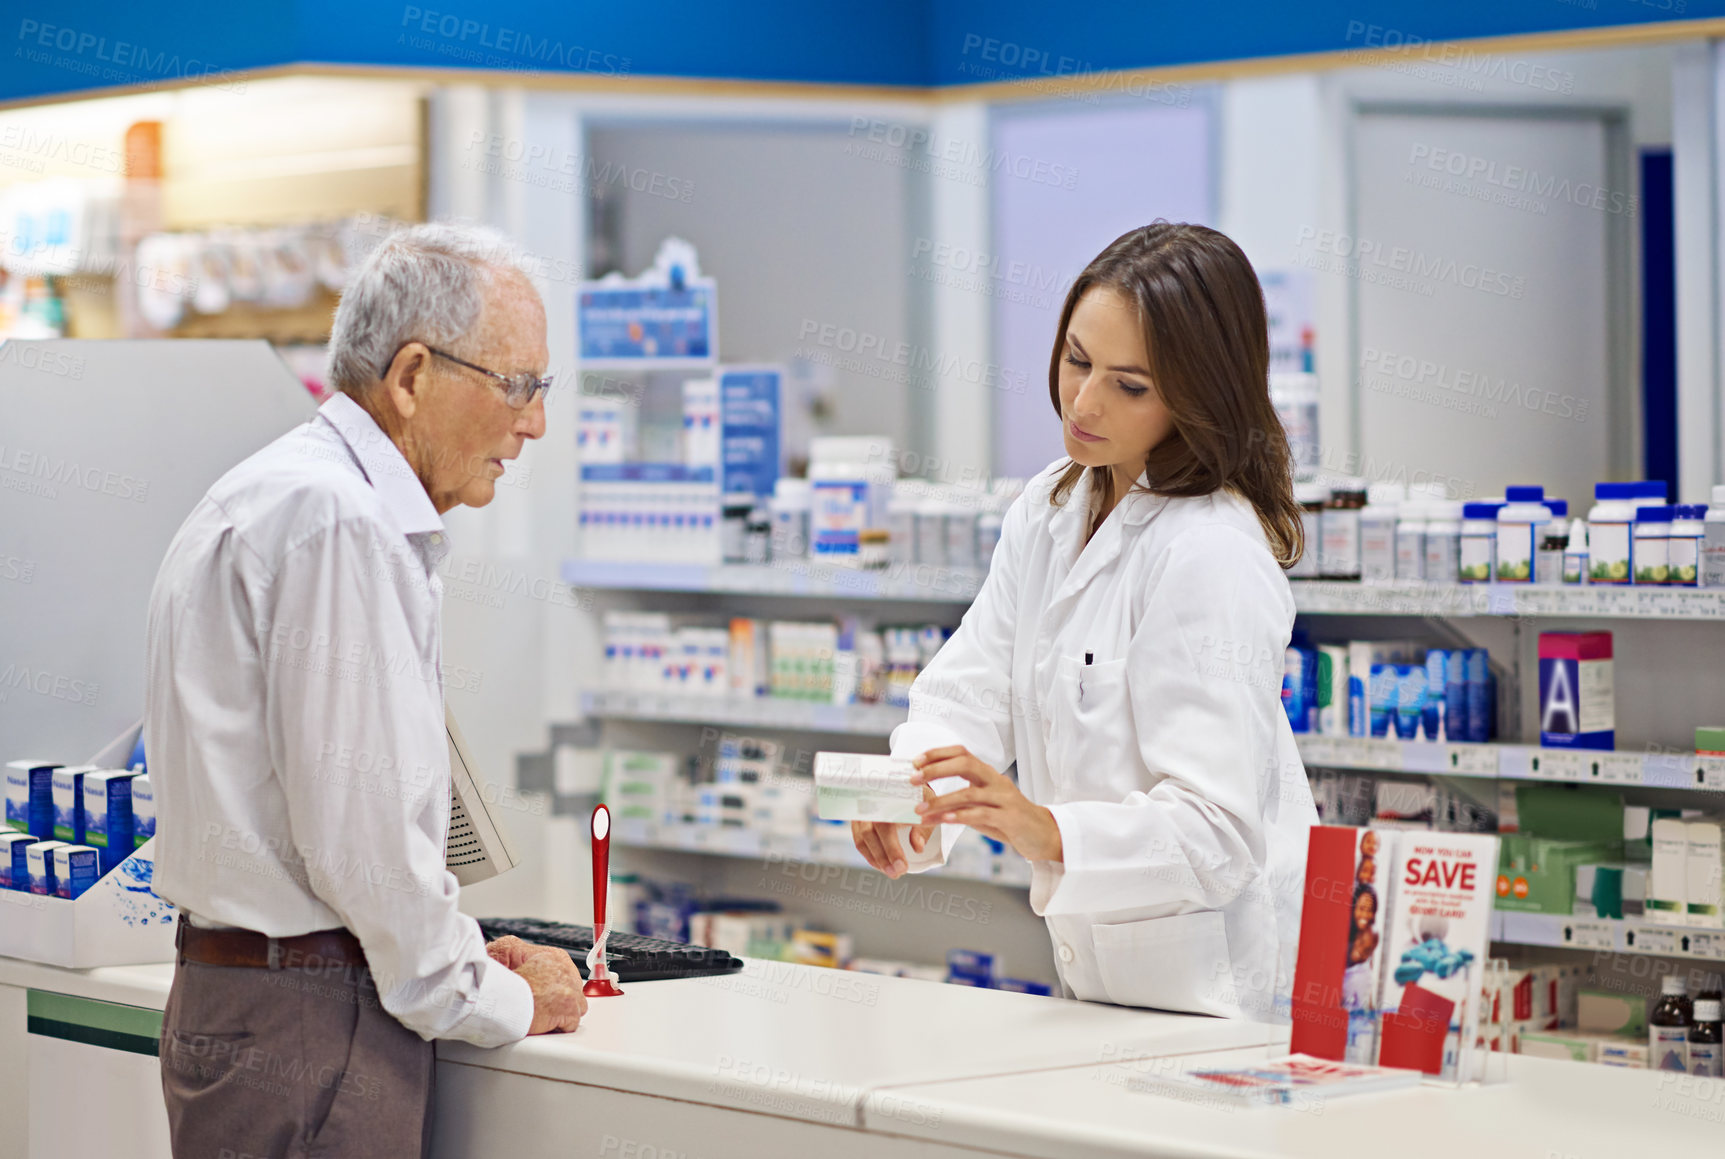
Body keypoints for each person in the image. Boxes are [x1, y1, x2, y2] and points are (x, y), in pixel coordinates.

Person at [144, 223, 586, 1158]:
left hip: (253, 998)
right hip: (312, 1023)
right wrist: (503, 995)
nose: (534, 422)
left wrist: (457, 944)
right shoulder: (337, 521)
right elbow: (364, 840)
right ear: (413, 375)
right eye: (517, 385)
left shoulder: (274, 492)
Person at [851, 223, 1318, 1020]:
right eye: (1076, 359)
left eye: (1128, 385)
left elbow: (1217, 833)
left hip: (1227, 992)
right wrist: (909, 796)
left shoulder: (1208, 551)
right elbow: (971, 691)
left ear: (1199, 394)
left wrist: (1048, 832)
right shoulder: (1054, 502)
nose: (1083, 401)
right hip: (1102, 982)